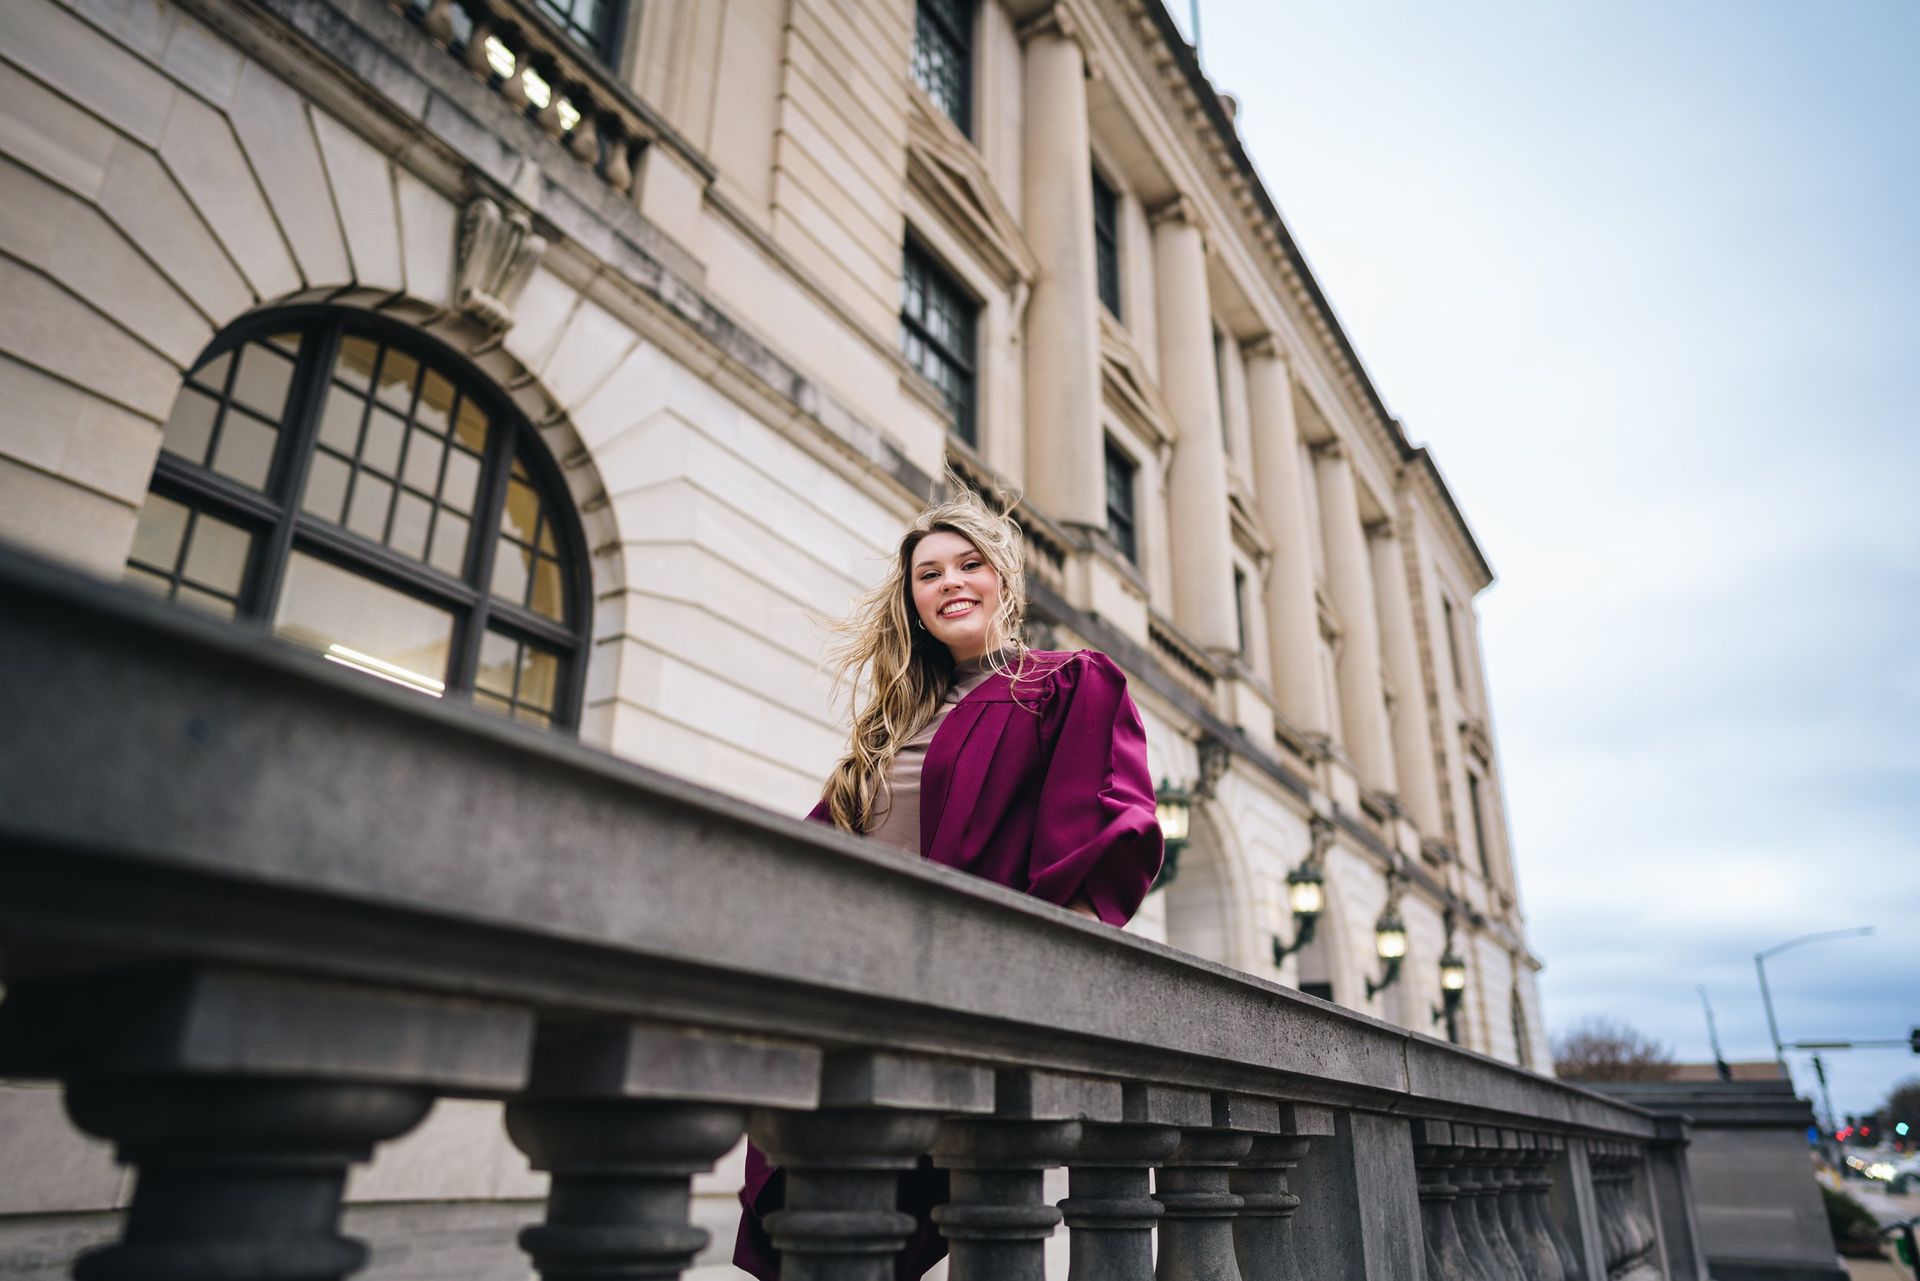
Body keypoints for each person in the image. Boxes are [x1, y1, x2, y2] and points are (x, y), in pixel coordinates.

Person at [733, 485, 1164, 1280]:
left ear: (1004, 578)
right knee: (819, 1215)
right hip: (846, 986)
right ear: (913, 600)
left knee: (900, 1213)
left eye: (970, 563)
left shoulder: (1065, 683)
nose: (950, 582)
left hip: (954, 994)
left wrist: (1041, 982)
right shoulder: (891, 721)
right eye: (928, 573)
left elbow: (1107, 827)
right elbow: (824, 843)